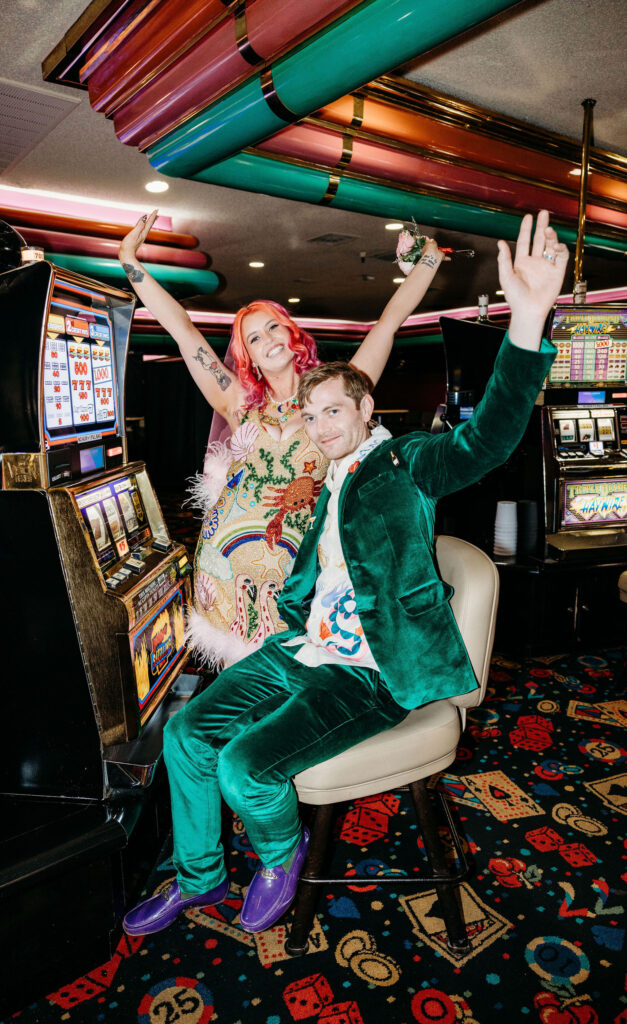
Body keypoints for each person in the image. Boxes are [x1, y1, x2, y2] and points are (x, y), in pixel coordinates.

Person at [121, 209, 568, 939]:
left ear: (364, 405)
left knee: (245, 767)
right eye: (314, 415)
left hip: (366, 666)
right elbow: (187, 342)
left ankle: (279, 851)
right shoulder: (322, 470)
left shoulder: (403, 463)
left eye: (335, 412)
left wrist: (524, 324)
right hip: (296, 641)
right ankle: (198, 878)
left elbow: (486, 439)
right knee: (185, 736)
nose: (321, 427)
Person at [119, 214, 446, 667]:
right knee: (240, 692)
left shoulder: (337, 391)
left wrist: (426, 261)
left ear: (291, 331)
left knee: (295, 682)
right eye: (254, 337)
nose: (267, 339)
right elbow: (182, 330)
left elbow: (388, 324)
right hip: (225, 565)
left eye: (273, 326)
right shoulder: (236, 402)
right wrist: (128, 260)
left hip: (300, 573)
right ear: (246, 355)